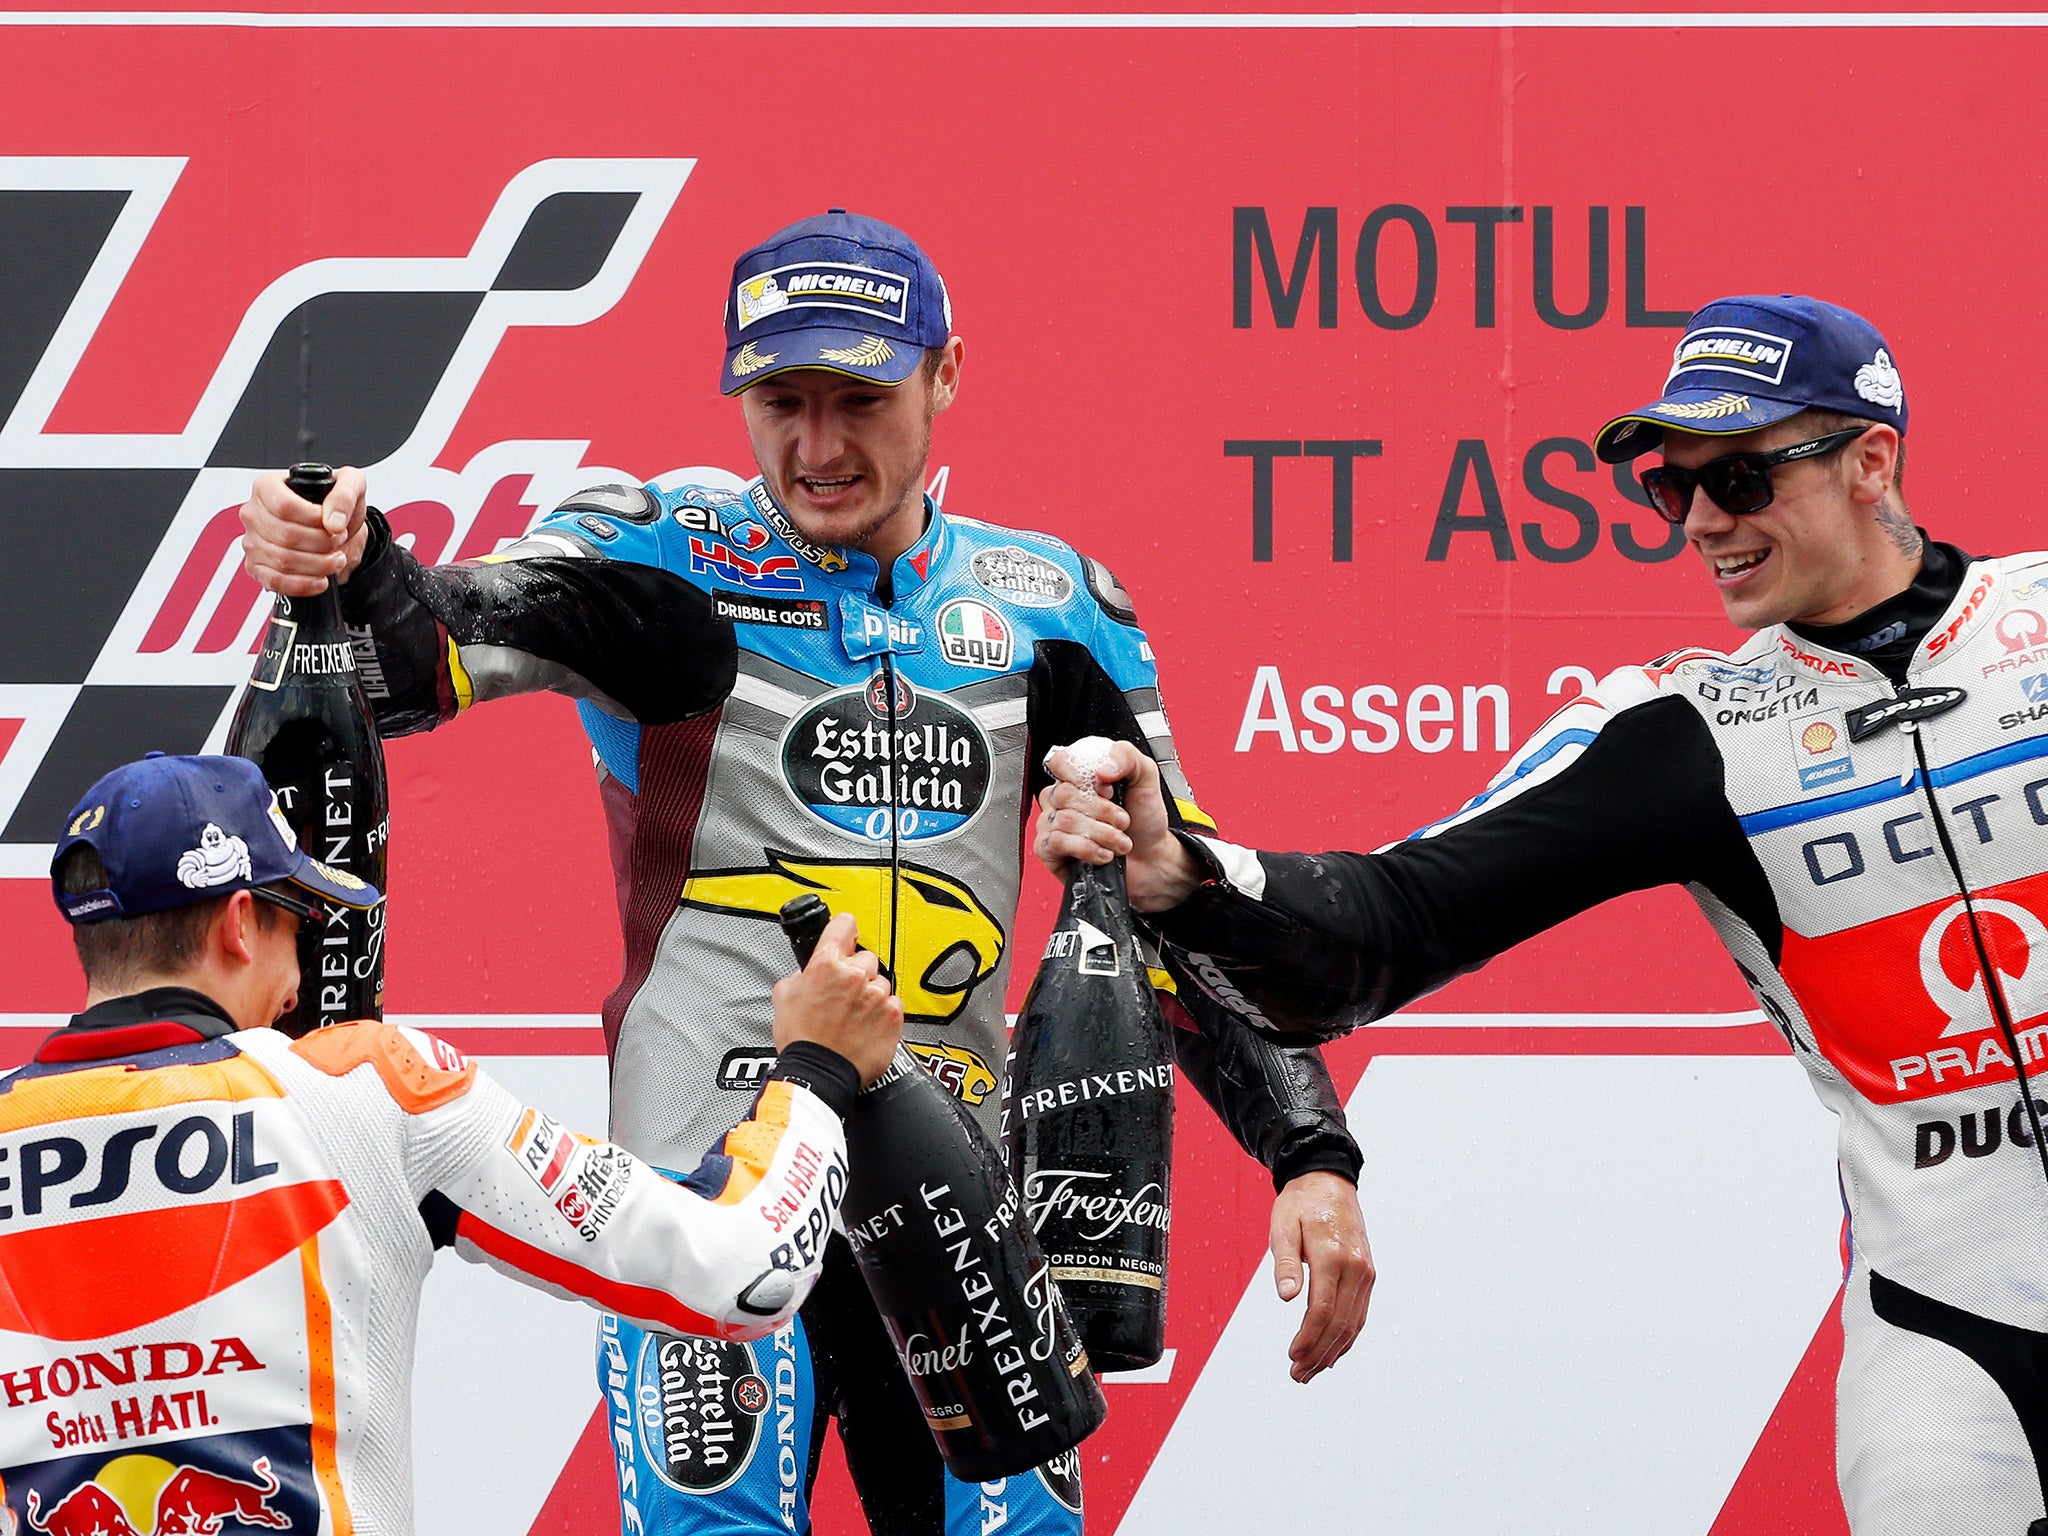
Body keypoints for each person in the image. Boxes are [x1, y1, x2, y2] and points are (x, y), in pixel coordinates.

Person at [237, 210, 1372, 1536]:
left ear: (948, 375)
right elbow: (429, 650)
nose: (818, 448)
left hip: (954, 1211)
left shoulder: (1054, 605)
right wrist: (350, 560)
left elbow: (1182, 909)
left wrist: (1309, 1151)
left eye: (861, 400)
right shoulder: (664, 551)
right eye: (780, 401)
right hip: (707, 1202)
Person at [1036, 293, 2048, 1536]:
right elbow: (1392, 919)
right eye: (1669, 491)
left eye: (1734, 476)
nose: (1702, 523)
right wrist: (1189, 875)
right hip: (1946, 1341)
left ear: (1869, 461)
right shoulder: (1685, 732)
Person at [0, 750, 898, 1536]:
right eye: (297, 925)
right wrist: (817, 1071)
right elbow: (740, 1274)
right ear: (240, 923)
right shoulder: (361, 1087)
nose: (302, 977)